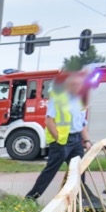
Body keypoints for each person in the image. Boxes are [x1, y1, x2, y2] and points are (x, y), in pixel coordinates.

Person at [25, 72, 93, 201]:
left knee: (79, 169)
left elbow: (82, 123)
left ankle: (80, 198)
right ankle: (31, 197)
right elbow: (49, 121)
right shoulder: (58, 99)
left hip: (76, 140)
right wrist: (59, 140)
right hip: (62, 141)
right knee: (51, 169)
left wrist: (87, 140)